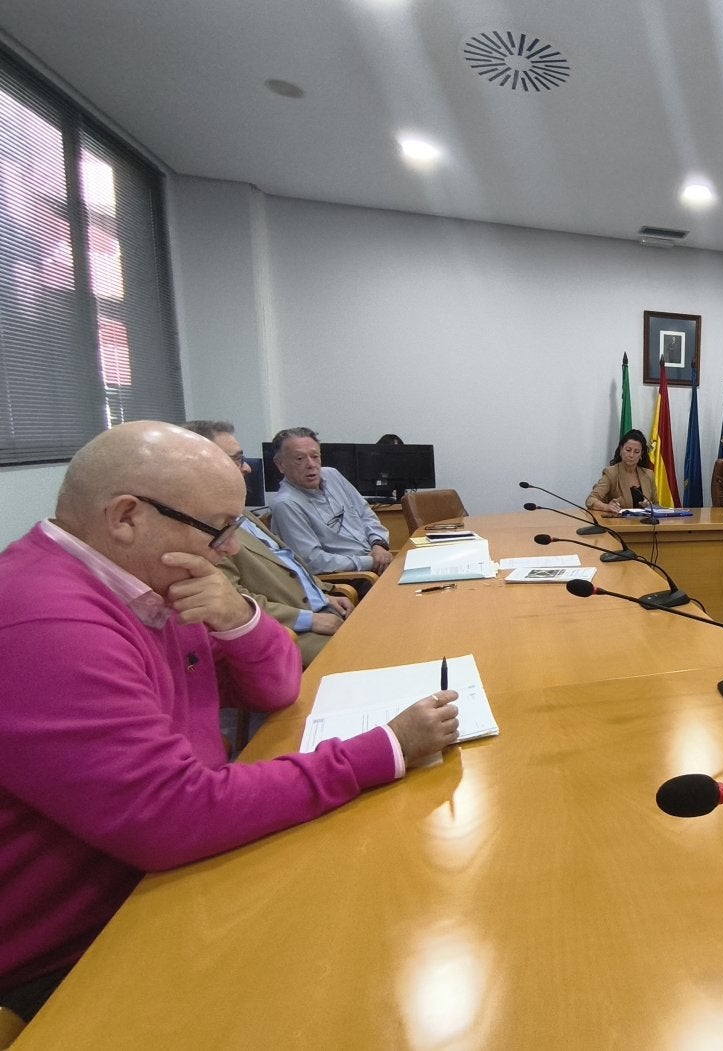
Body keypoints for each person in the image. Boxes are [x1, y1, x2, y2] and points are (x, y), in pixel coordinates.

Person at [0, 421, 459, 1023]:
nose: (233, 550)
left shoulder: (152, 582)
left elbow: (275, 686)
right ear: (126, 517)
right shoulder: (45, 621)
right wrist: (385, 748)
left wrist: (240, 615)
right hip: (77, 952)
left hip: (162, 878)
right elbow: (168, 814)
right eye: (219, 529)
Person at [183, 421, 353, 667]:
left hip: (321, 609)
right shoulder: (199, 531)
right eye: (237, 459)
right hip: (291, 632)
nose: (247, 469)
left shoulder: (239, 510)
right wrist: (310, 619)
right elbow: (233, 602)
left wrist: (324, 593)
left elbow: (285, 559)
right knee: (380, 655)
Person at [269, 427, 392, 576]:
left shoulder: (332, 475)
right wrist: (370, 561)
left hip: (378, 562)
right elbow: (313, 561)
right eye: (300, 459)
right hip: (352, 577)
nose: (311, 464)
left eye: (315, 456)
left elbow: (366, 514)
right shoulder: (286, 504)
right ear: (280, 464)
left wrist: (378, 545)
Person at [585, 429, 659, 514]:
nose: (631, 455)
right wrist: (607, 507)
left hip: (645, 525)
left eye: (636, 452)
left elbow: (656, 505)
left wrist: (649, 506)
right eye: (628, 450)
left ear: (641, 454)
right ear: (621, 450)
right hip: (618, 524)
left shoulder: (648, 474)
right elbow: (590, 500)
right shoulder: (611, 473)